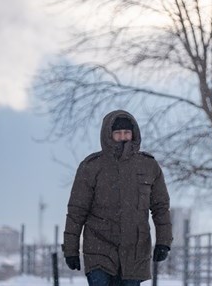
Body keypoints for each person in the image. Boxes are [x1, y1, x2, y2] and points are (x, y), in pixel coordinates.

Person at [62, 110, 173, 286]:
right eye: (118, 133)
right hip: (98, 249)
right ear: (108, 135)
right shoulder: (91, 167)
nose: (123, 137)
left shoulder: (149, 166)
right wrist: (71, 249)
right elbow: (76, 211)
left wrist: (164, 242)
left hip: (135, 251)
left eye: (127, 133)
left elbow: (160, 208)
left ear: (133, 134)